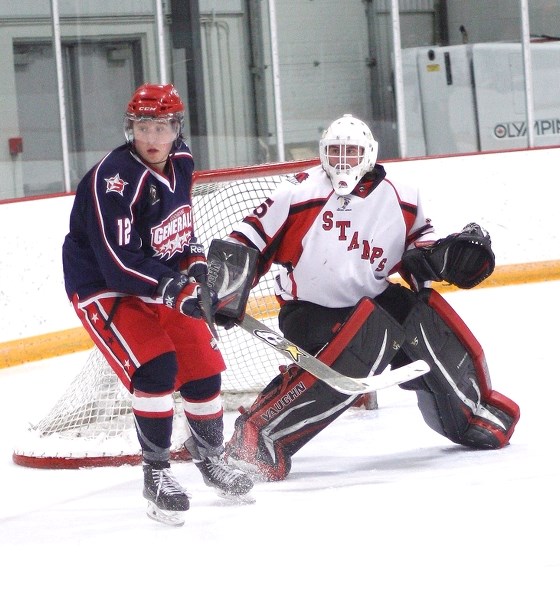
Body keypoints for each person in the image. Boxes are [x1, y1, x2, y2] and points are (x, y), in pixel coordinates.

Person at [222, 114, 520, 481]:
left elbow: (418, 248)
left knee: (415, 312)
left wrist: (441, 257)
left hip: (371, 306)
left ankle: (470, 413)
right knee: (369, 334)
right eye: (335, 151)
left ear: (369, 154)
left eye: (352, 152)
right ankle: (259, 435)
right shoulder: (298, 194)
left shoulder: (403, 196)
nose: (342, 161)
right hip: (308, 313)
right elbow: (246, 240)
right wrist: (228, 286)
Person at [62, 83, 252, 526]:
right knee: (157, 369)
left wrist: (197, 269)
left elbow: (179, 231)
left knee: (203, 367)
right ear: (131, 128)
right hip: (104, 287)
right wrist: (173, 288)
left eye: (163, 127)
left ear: (177, 129)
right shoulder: (113, 181)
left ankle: (209, 460)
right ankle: (157, 474)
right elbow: (115, 264)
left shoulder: (181, 160)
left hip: (159, 277)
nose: (153, 137)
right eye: (143, 126)